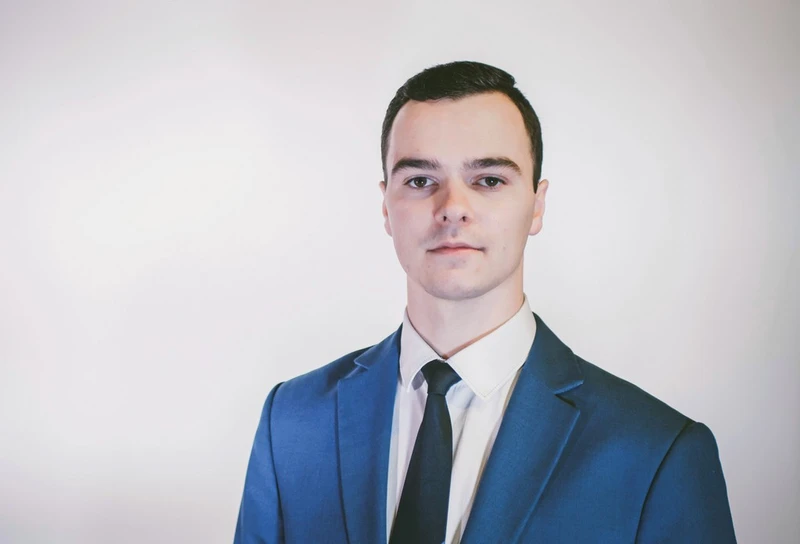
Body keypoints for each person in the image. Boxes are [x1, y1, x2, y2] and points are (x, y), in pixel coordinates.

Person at [234, 61, 737, 543]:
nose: (453, 207)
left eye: (489, 180)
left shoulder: (657, 452)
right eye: (420, 180)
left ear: (537, 205)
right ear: (385, 205)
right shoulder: (292, 421)